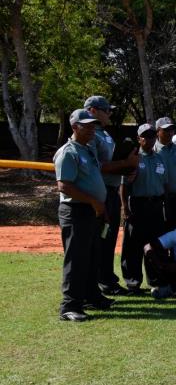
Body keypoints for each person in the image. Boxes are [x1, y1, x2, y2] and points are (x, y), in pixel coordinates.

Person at [55, 109, 111, 321]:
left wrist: (100, 206)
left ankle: (91, 296)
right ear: (74, 127)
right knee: (76, 259)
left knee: (91, 256)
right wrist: (93, 201)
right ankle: (69, 306)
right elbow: (64, 186)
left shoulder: (87, 150)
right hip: (75, 211)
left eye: (93, 126)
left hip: (91, 210)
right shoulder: (68, 152)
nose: (91, 129)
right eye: (86, 125)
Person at [84, 95, 138, 296]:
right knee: (101, 239)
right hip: (101, 194)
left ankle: (107, 279)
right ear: (93, 111)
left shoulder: (104, 134)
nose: (110, 114)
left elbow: (112, 164)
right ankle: (101, 282)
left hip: (112, 193)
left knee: (109, 239)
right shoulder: (90, 136)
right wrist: (125, 165)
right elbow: (96, 167)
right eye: (107, 110)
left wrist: (127, 170)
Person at [120, 123, 168, 292]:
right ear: (138, 139)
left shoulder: (160, 158)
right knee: (133, 245)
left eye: (152, 136)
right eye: (145, 136)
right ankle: (132, 282)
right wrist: (125, 208)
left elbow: (165, 184)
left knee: (155, 244)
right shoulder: (133, 157)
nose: (149, 139)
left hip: (156, 205)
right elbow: (124, 186)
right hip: (137, 205)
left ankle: (154, 280)